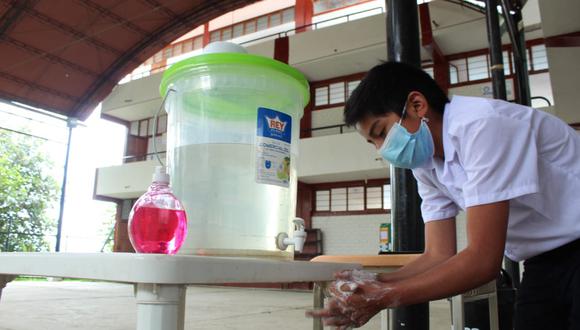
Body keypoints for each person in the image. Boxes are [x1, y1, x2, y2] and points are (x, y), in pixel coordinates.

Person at [307, 61, 580, 329]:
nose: (381, 150)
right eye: (373, 142)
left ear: (417, 105)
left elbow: (483, 261)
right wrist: (373, 284)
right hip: (543, 259)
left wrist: (385, 297)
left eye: (381, 132)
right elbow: (437, 255)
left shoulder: (482, 126)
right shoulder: (426, 166)